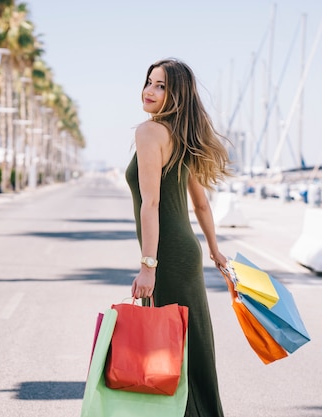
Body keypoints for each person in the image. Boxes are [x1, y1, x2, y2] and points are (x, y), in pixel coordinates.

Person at [125, 58, 231, 417]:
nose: (149, 91)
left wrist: (148, 266)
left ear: (177, 96)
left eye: (161, 86)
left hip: (168, 257)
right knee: (191, 344)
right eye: (149, 82)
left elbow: (151, 202)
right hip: (186, 253)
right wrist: (214, 251)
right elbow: (201, 204)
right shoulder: (178, 135)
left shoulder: (149, 132)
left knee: (171, 348)